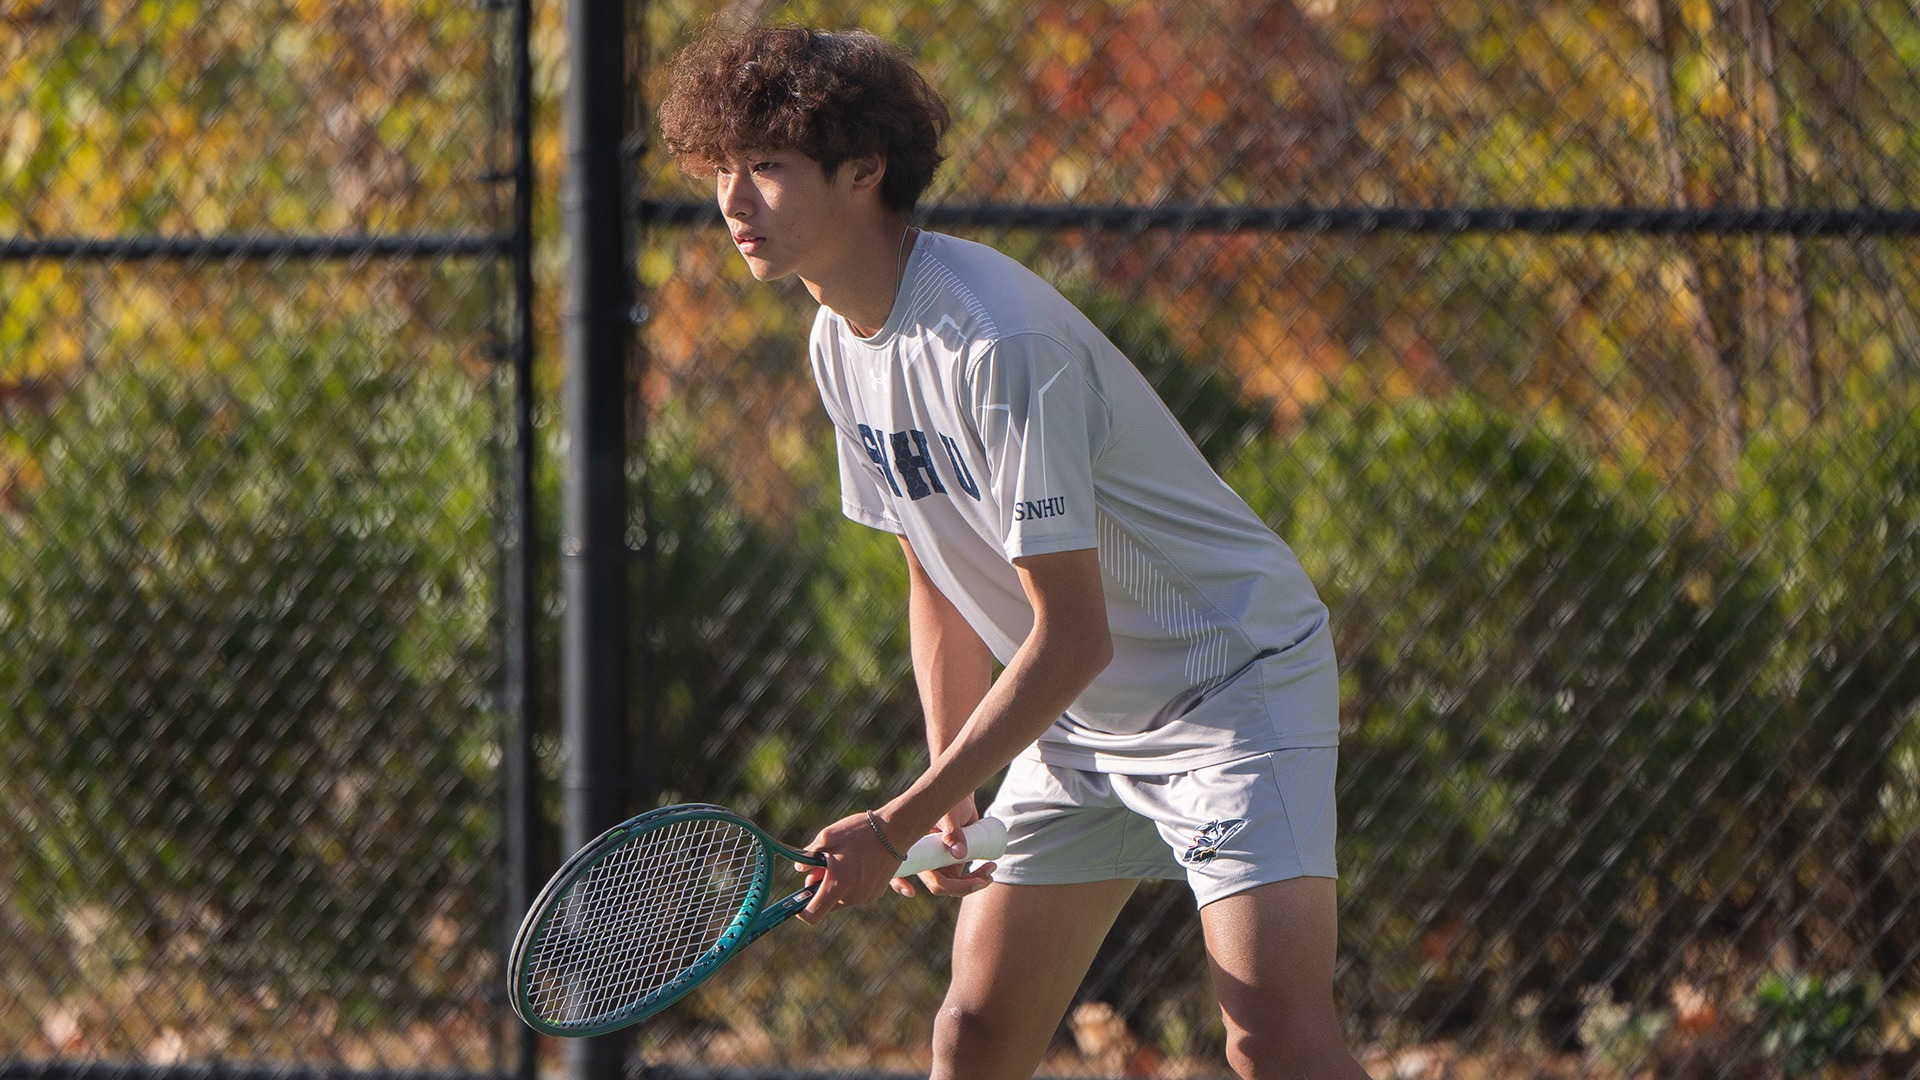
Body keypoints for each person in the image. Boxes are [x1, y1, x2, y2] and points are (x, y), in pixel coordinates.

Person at [659, 24, 1371, 1080]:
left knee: (1273, 1043)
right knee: (975, 1036)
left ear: (864, 171)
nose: (732, 201)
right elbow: (934, 572)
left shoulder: (997, 345)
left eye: (765, 167)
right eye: (721, 168)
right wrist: (951, 792)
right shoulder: (836, 342)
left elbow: (1071, 635)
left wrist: (892, 822)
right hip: (1081, 727)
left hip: (1232, 692)